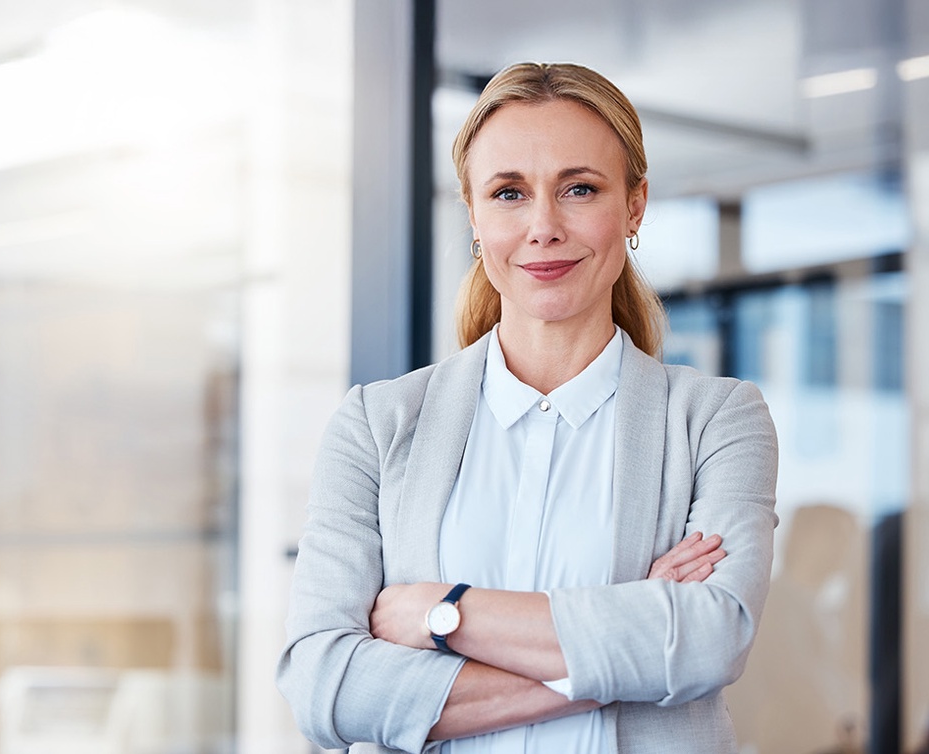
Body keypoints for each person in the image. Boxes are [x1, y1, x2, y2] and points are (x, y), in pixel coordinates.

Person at [277, 61, 781, 753]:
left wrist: (441, 613)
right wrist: (627, 652)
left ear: (634, 206)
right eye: (509, 193)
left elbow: (708, 641)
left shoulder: (717, 421)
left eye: (580, 189)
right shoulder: (375, 425)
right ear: (474, 215)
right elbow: (325, 687)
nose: (543, 226)